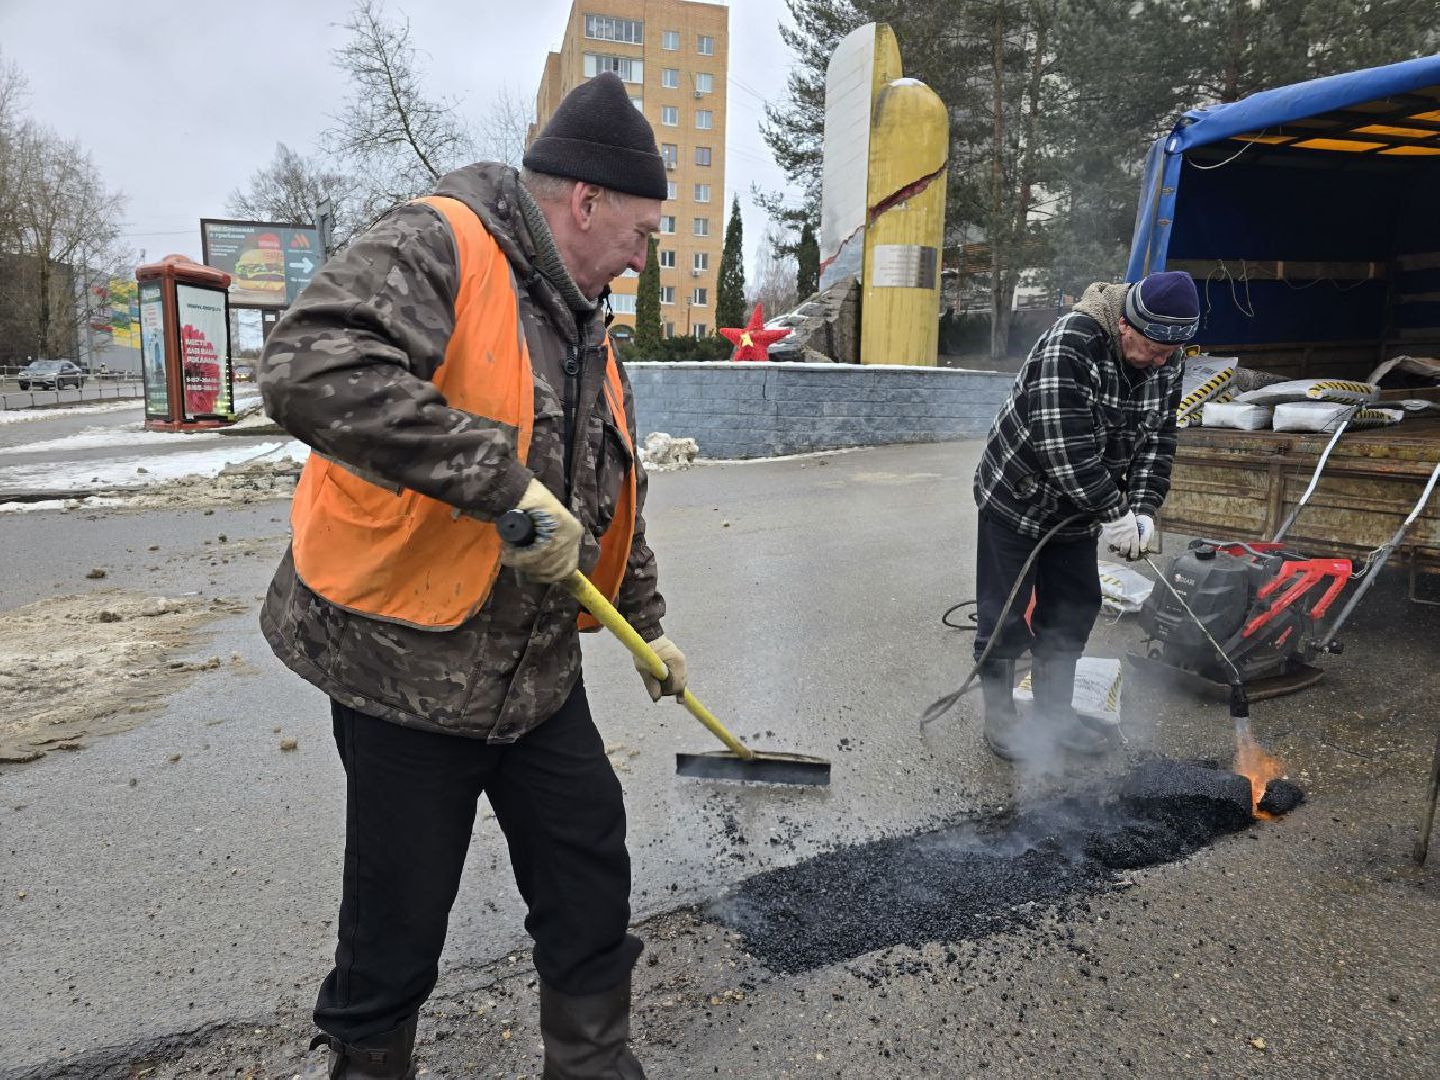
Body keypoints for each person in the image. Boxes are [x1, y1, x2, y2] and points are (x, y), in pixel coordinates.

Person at [258, 72, 684, 1079]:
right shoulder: (441, 243)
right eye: (641, 230)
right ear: (585, 202)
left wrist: (648, 620)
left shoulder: (585, 324)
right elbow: (308, 364)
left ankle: (591, 1061)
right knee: (396, 918)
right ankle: (368, 1065)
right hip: (407, 672)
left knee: (589, 868)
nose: (644, 253)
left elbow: (600, 492)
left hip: (534, 677)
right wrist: (496, 480)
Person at [971, 271, 1198, 761]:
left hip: (1079, 512)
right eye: (1152, 349)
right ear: (1123, 325)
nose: (1160, 361)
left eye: (1169, 354)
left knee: (1073, 608)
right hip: (1017, 498)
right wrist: (1114, 512)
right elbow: (1063, 447)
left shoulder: (1167, 357)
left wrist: (1142, 508)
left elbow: (1158, 439)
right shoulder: (1072, 341)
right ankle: (1002, 720)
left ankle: (1054, 716)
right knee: (1004, 615)